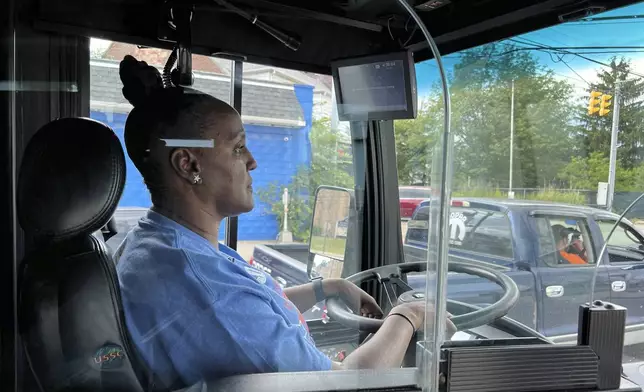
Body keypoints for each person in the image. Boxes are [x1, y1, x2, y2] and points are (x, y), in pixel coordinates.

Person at [115, 55, 456, 388]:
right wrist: (408, 316)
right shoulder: (206, 289)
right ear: (189, 164)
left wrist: (328, 288)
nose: (252, 162)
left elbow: (249, 310)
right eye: (238, 148)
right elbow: (346, 385)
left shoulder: (157, 242)